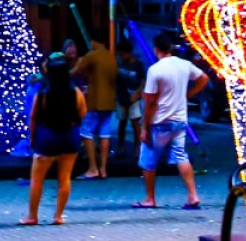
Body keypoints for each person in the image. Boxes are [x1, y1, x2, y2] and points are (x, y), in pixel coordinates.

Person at [133, 30, 206, 210]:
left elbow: (150, 102)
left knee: (148, 159)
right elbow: (203, 79)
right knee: (181, 156)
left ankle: (150, 198)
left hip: (160, 121)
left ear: (156, 49)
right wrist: (187, 94)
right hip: (180, 120)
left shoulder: (155, 70)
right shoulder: (184, 65)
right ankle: (192, 195)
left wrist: (144, 128)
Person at [21, 52, 85, 225]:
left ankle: (32, 216)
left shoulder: (42, 94)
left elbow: (33, 117)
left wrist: (32, 138)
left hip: (47, 137)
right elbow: (82, 113)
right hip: (69, 137)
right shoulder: (76, 92)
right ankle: (58, 216)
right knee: (64, 179)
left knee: (37, 179)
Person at [73, 39, 119, 179]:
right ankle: (103, 169)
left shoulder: (92, 55)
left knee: (87, 133)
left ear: (94, 42)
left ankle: (93, 168)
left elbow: (75, 71)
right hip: (109, 101)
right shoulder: (111, 57)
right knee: (105, 134)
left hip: (94, 101)